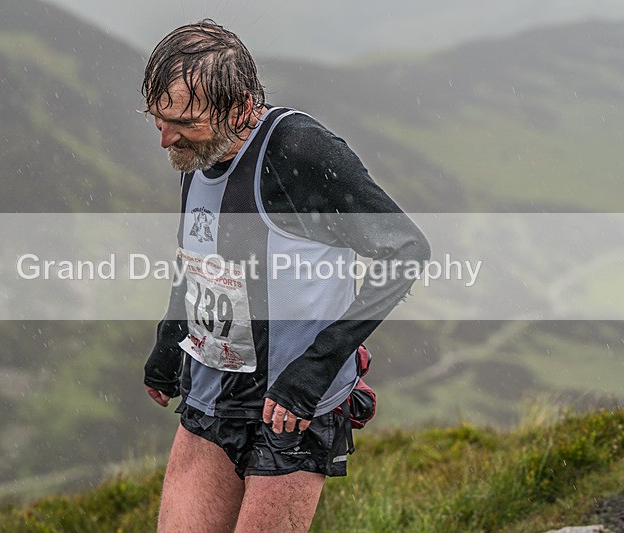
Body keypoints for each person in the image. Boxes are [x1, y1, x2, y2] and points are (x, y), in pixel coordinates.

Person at [141, 20, 430, 533]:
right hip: (213, 392)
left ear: (241, 107)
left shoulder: (300, 152)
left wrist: (314, 370)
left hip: (292, 408)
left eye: (182, 120)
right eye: (158, 118)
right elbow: (201, 255)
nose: (166, 137)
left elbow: (406, 250)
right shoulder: (195, 149)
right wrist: (170, 337)